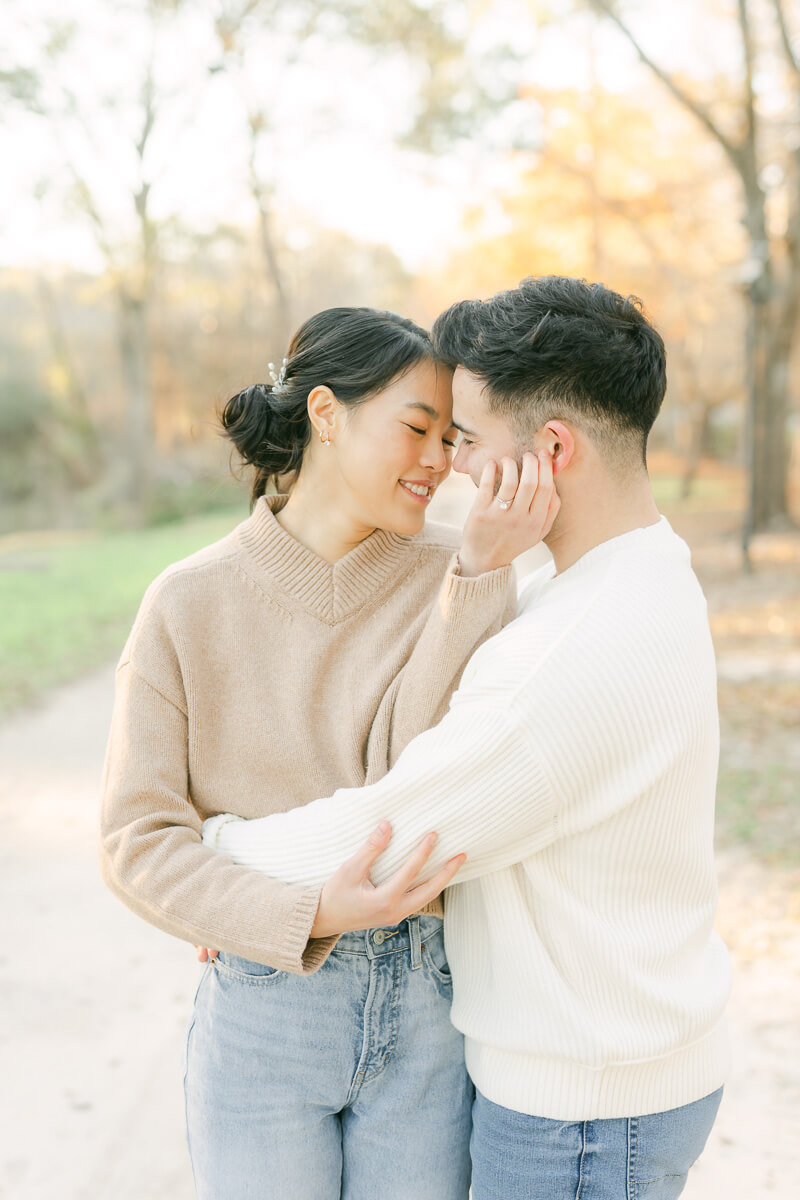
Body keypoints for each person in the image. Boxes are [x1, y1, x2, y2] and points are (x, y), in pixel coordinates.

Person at [201, 277, 732, 1200]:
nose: (455, 468)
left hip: (579, 1113)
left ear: (552, 450)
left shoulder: (568, 654)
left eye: (471, 439)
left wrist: (217, 855)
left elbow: (387, 834)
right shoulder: (634, 572)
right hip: (623, 1070)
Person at [98, 305, 558, 1200]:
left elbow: (410, 776)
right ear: (325, 413)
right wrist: (300, 911)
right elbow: (136, 840)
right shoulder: (188, 602)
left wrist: (472, 581)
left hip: (430, 999)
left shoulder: (460, 574)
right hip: (267, 1007)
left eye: (450, 437)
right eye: (418, 430)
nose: (439, 461)